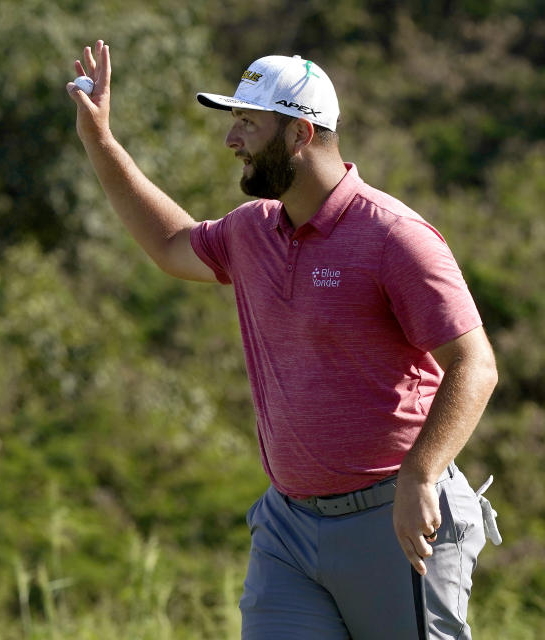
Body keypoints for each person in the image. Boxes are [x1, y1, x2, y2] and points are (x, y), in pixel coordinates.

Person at [67, 40, 500, 640]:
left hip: (396, 519)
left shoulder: (396, 238)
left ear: (299, 134)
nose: (232, 139)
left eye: (247, 122)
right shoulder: (252, 231)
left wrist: (422, 475)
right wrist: (101, 142)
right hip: (288, 529)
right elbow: (170, 246)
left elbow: (474, 364)